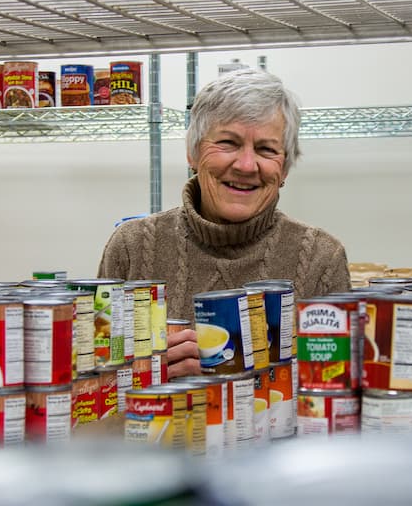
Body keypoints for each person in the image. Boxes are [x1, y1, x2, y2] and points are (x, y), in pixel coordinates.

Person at [98, 67, 351, 378]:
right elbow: (95, 378)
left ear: (284, 169)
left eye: (266, 149)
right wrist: (139, 368)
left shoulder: (320, 258)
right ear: (193, 152)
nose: (246, 165)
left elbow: (333, 388)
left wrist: (242, 369)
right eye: (228, 143)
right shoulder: (132, 247)